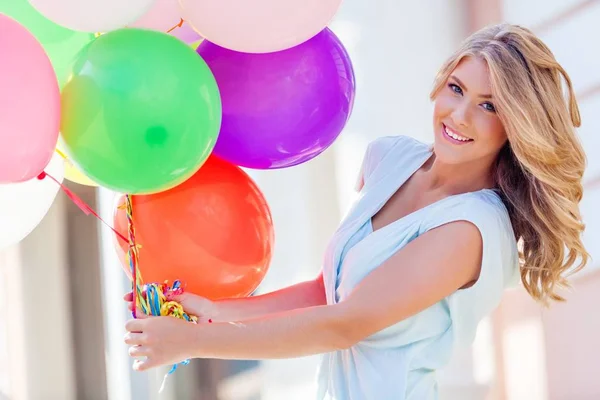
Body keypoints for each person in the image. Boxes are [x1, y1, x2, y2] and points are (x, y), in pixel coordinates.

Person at [124, 23, 589, 399]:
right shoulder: (389, 159)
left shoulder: (471, 229)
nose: (459, 115)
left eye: (488, 106)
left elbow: (347, 323)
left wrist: (196, 342)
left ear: (516, 127)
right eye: (456, 88)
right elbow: (331, 290)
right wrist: (215, 313)